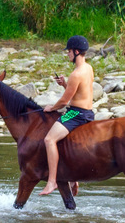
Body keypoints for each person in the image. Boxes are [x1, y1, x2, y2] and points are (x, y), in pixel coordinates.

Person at [39, 35, 95, 197]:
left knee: (49, 140)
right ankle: (72, 177)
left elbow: (64, 101)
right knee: (62, 141)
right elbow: (78, 93)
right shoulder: (88, 68)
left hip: (77, 114)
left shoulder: (76, 74)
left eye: (69, 51)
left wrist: (51, 108)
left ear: (77, 52)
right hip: (88, 113)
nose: (68, 54)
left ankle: (52, 181)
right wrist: (65, 84)